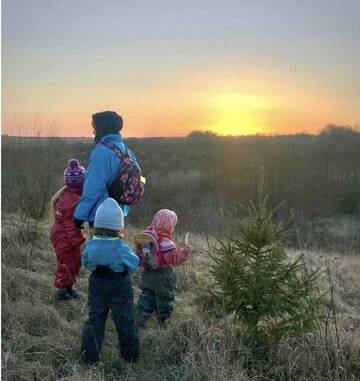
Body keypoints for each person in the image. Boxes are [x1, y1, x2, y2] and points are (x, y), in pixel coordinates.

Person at [81, 198, 140, 364]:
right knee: (125, 320)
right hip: (119, 286)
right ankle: (130, 357)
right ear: (119, 227)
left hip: (97, 284)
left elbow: (86, 263)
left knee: (95, 320)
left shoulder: (91, 246)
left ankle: (89, 357)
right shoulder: (121, 249)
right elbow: (134, 263)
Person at [74, 111, 141, 228]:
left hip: (101, 215)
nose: (93, 131)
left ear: (102, 128)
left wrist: (80, 215)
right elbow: (139, 176)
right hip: (118, 214)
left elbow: (93, 187)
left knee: (99, 246)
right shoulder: (125, 150)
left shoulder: (101, 152)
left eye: (95, 128)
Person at [136, 209, 190, 328]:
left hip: (148, 273)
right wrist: (184, 253)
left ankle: (140, 319)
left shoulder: (147, 237)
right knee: (165, 299)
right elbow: (173, 260)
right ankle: (164, 322)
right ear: (168, 225)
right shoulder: (166, 241)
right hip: (163, 276)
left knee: (146, 296)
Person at [50, 159, 86, 300]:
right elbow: (70, 226)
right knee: (66, 265)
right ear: (81, 182)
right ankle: (61, 292)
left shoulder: (67, 196)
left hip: (61, 236)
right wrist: (79, 240)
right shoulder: (74, 201)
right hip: (65, 239)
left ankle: (69, 288)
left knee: (71, 263)